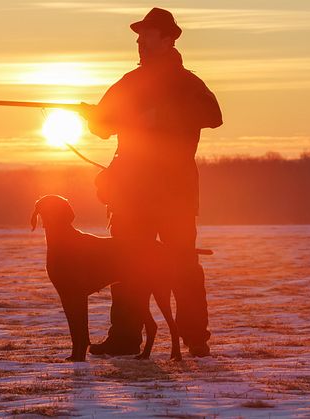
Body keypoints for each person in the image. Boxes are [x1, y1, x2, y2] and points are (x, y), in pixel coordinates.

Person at [81, 7, 222, 357]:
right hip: (132, 193)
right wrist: (94, 116)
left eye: (146, 34)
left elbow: (213, 115)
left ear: (168, 38)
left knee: (183, 265)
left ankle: (195, 338)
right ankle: (125, 338)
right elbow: (100, 127)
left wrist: (156, 115)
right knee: (127, 265)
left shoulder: (187, 83)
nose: (139, 40)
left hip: (174, 193)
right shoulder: (128, 82)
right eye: (139, 35)